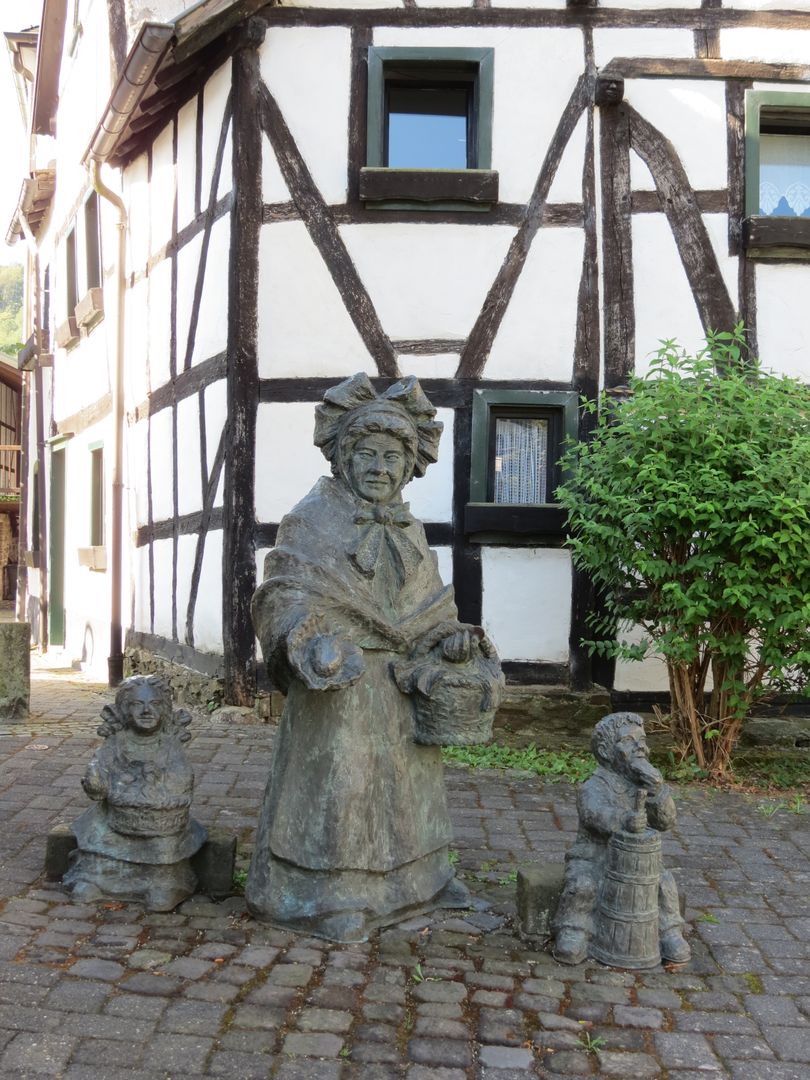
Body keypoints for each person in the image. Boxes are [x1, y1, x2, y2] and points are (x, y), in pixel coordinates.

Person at [248, 373, 493, 941]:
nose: (380, 468)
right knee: (344, 787)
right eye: (367, 454)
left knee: (409, 791)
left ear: (408, 466)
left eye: (392, 456)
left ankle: (424, 880)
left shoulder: (410, 528)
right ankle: (335, 893)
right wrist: (308, 640)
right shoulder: (310, 520)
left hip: (402, 686)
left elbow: (432, 608)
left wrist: (450, 640)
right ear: (343, 458)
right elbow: (282, 593)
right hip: (341, 684)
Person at [553, 711, 690, 965]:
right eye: (628, 741)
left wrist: (658, 791)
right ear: (605, 751)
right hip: (595, 856)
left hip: (636, 861)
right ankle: (575, 929)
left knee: (664, 882)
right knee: (583, 885)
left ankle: (669, 931)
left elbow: (666, 822)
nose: (640, 747)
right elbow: (594, 814)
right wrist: (623, 819)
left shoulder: (643, 784)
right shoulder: (594, 786)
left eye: (642, 740)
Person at [63, 675, 205, 911]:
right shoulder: (116, 742)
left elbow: (182, 778)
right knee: (97, 844)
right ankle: (92, 879)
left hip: (160, 821)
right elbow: (99, 771)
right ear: (124, 709)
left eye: (155, 704)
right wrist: (96, 780)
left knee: (163, 851)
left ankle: (163, 885)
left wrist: (158, 791)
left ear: (165, 710)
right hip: (115, 818)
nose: (147, 711)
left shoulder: (169, 745)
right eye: (138, 704)